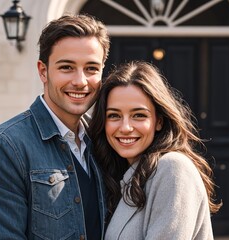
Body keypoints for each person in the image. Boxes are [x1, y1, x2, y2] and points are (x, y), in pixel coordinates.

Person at [0, 14, 110, 239]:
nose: (80, 81)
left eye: (91, 69)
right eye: (67, 67)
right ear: (43, 71)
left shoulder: (103, 141)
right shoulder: (4, 147)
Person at [89, 61, 221, 240]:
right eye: (114, 116)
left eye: (139, 115)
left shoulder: (173, 169)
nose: (125, 127)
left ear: (159, 121)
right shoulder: (125, 177)